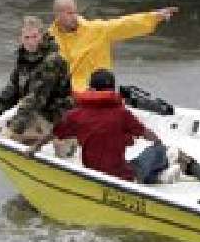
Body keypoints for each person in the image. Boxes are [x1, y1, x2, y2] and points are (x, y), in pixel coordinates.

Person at [26, 69, 177, 184]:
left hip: (92, 173)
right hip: (122, 176)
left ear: (91, 90)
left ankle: (158, 174)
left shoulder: (76, 115)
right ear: (112, 90)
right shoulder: (122, 114)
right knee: (157, 151)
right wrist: (159, 143)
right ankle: (162, 169)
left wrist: (35, 147)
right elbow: (145, 132)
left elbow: (55, 133)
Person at [49, 0, 180, 92]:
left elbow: (125, 24)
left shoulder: (96, 29)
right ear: (58, 16)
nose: (74, 16)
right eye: (69, 13)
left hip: (99, 89)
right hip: (68, 93)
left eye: (75, 12)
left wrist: (154, 17)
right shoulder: (49, 39)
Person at [0, 16, 73, 148]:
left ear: (42, 36)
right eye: (27, 38)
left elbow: (36, 98)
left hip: (57, 117)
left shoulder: (52, 61)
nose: (31, 42)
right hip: (39, 114)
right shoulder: (24, 58)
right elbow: (11, 91)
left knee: (11, 134)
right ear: (20, 39)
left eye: (35, 36)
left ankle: (49, 140)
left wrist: (13, 128)